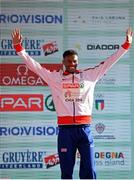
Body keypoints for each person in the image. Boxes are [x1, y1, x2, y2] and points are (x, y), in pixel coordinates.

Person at [11, 27, 133, 179]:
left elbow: (109, 62)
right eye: (68, 61)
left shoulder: (89, 75)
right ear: (63, 62)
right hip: (65, 131)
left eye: (74, 61)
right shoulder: (54, 78)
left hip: (84, 129)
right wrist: (19, 48)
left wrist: (126, 46)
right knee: (66, 172)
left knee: (89, 170)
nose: (72, 64)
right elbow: (34, 66)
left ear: (77, 62)